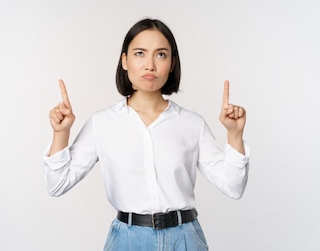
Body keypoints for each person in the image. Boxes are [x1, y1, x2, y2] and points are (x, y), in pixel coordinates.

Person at [43, 18, 250, 251]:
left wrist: (234, 134)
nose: (150, 65)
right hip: (127, 241)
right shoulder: (102, 123)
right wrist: (61, 134)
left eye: (161, 55)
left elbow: (234, 187)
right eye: (140, 53)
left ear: (172, 63)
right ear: (125, 61)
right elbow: (57, 185)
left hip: (185, 240)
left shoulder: (192, 124)